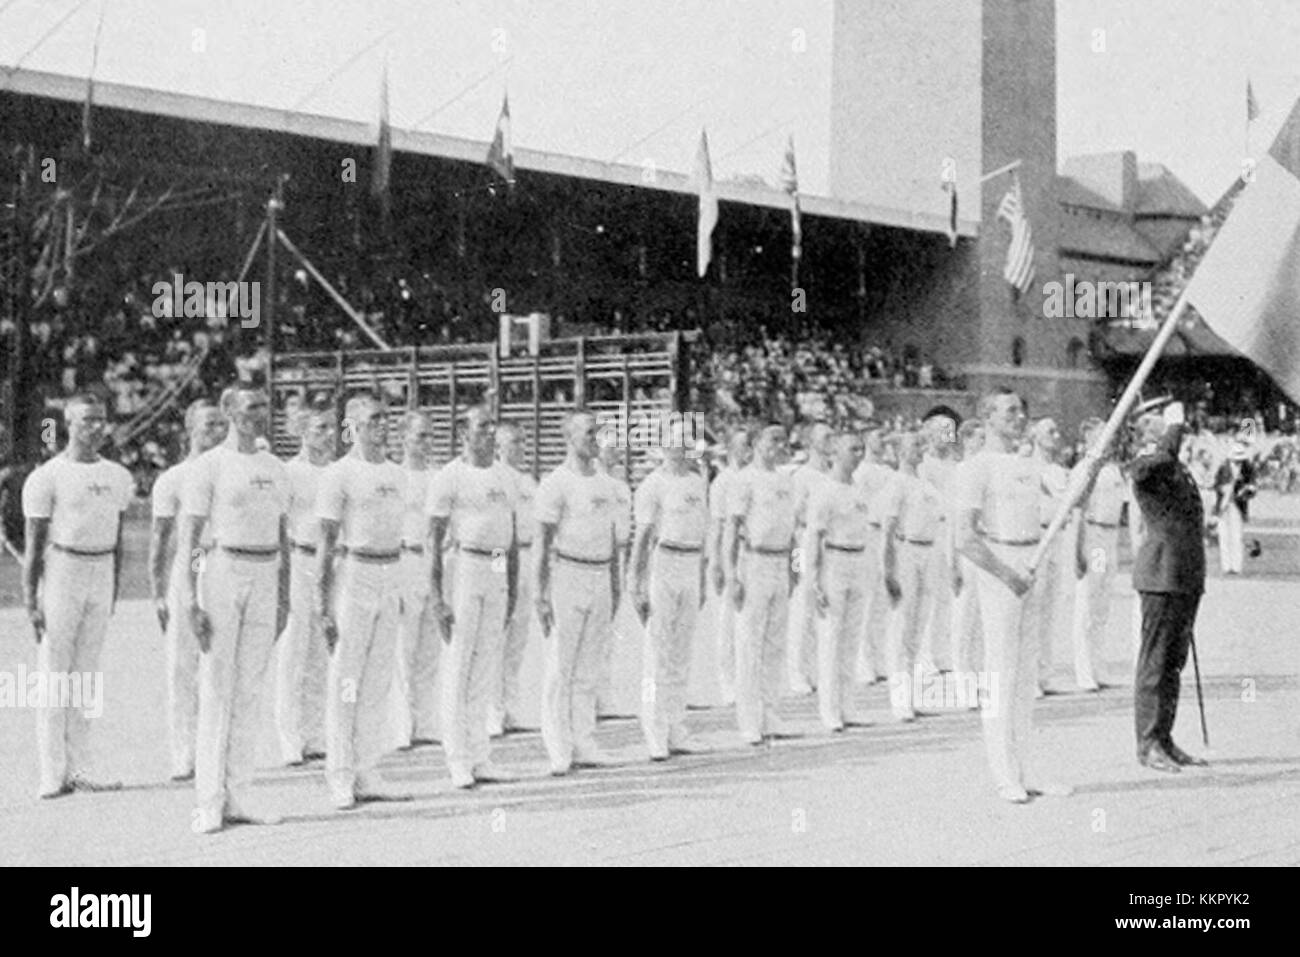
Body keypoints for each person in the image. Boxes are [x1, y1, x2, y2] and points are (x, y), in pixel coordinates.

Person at [181, 385, 289, 832]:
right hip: (225, 570)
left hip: (266, 572)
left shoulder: (274, 467)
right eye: (248, 408)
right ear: (228, 412)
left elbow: (282, 533)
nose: (257, 415)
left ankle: (239, 795)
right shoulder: (209, 467)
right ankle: (208, 801)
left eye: (263, 407)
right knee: (217, 688)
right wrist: (190, 597)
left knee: (250, 690)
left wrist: (284, 596)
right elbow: (189, 539)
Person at [956, 389, 1068, 803]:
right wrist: (1005, 574)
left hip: (1032, 560)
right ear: (986, 418)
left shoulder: (1026, 464)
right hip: (1000, 567)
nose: (1020, 417)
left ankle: (1027, 769)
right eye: (1009, 411)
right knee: (1001, 672)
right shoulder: (975, 468)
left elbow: (1065, 503)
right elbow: (964, 538)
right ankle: (1004, 774)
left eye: (1023, 410)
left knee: (1025, 676)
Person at [22, 393, 134, 798]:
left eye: (101, 420)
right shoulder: (47, 477)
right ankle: (52, 772)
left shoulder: (118, 476)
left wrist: (113, 588)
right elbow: (34, 547)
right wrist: (31, 600)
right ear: (68, 423)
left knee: (86, 675)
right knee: (55, 673)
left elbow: (118, 540)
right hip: (63, 572)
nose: (96, 427)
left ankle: (83, 767)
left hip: (100, 571)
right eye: (87, 420)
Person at [315, 394, 409, 808]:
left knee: (378, 679)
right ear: (351, 427)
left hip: (391, 572)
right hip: (355, 573)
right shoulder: (339, 474)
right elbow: (325, 541)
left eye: (385, 420)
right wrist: (323, 602)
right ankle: (339, 774)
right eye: (372, 420)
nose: (381, 426)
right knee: (347, 679)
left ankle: (369, 770)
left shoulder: (397, 473)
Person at [426, 405, 519, 788]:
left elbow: (509, 538)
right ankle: (458, 759)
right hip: (464, 565)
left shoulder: (505, 475)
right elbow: (432, 540)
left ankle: (481, 756)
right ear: (463, 434)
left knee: (485, 665)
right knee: (459, 665)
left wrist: (511, 587)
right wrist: (437, 597)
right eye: (481, 427)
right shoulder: (450, 477)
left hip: (496, 566)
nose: (489, 433)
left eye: (492, 426)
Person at [535, 410, 627, 775]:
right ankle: (559, 747)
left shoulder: (607, 484)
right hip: (568, 574)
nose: (595, 439)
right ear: (568, 438)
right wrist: (540, 594)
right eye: (589, 433)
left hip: (600, 574)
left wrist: (615, 585)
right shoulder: (555, 483)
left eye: (598, 433)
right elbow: (542, 542)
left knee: (589, 666)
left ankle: (584, 741)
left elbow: (613, 541)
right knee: (562, 666)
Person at [149, 398, 228, 781]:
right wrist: (158, 590)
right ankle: (184, 752)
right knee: (183, 664)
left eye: (220, 424)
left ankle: (216, 748)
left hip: (225, 563)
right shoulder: (174, 478)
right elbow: (161, 539)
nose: (217, 431)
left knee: (220, 661)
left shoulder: (231, 471)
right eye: (209, 424)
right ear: (190, 430)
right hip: (193, 561)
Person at [1129, 399, 1210, 771]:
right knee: (1155, 663)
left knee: (1173, 664)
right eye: (1163, 418)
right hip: (1161, 575)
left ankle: (1164, 737)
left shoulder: (1174, 466)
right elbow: (1159, 462)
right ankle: (1147, 744)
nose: (1172, 422)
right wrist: (1175, 430)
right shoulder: (1145, 462)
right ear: (1146, 426)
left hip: (1184, 574)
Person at [630, 423, 710, 759]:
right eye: (675, 443)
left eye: (686, 442)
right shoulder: (652, 485)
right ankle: (655, 731)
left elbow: (702, 533)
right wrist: (636, 583)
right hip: (664, 563)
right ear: (663, 447)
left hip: (690, 563)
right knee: (657, 654)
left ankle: (677, 727)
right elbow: (643, 539)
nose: (682, 449)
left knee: (680, 653)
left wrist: (703, 578)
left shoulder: (696, 483)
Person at [726, 423, 797, 745]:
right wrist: (731, 574)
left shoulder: (785, 480)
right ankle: (749, 720)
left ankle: (771, 714)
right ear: (755, 443)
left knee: (774, 644)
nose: (778, 446)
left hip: (780, 562)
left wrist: (795, 568)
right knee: (750, 645)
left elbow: (792, 529)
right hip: (753, 562)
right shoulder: (743, 480)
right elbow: (732, 529)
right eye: (772, 439)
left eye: (783, 440)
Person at [275, 400, 335, 765]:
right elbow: (279, 526)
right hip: (299, 558)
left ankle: (315, 734)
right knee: (294, 651)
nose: (327, 436)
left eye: (331, 428)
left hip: (333, 562)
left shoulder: (338, 472)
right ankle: (290, 739)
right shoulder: (288, 473)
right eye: (319, 429)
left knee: (322, 652)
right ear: (301, 432)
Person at [806, 430, 872, 731]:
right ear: (834, 453)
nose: (858, 455)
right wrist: (814, 579)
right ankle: (829, 710)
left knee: (851, 640)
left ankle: (848, 706)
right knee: (831, 638)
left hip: (857, 560)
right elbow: (814, 538)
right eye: (852, 449)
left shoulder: (858, 489)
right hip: (833, 561)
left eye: (861, 449)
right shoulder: (825, 490)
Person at [880, 431, 942, 721]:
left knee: (918, 626)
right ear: (900, 451)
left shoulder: (925, 484)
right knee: (902, 627)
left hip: (927, 551)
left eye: (921, 444)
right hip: (905, 549)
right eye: (915, 445)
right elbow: (888, 531)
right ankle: (900, 700)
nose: (921, 449)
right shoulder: (897, 483)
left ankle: (914, 696)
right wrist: (888, 570)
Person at [391, 410, 441, 748]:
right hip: (404, 560)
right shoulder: (394, 477)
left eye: (429, 435)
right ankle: (400, 726)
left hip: (433, 563)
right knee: (402, 648)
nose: (426, 442)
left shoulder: (439, 478)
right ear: (404, 438)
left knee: (429, 649)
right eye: (420, 435)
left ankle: (425, 722)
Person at [488, 421, 536, 736]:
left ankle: (510, 706)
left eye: (522, 441)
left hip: (528, 556)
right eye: (512, 442)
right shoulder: (494, 479)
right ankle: (492, 711)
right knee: (496, 638)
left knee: (518, 638)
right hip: (501, 556)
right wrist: (497, 575)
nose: (519, 447)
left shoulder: (528, 481)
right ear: (498, 448)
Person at [1069, 418, 1125, 691]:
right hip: (1094, 535)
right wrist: (1079, 547)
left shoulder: (1114, 470)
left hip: (1111, 536)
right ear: (1090, 438)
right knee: (1088, 603)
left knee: (1103, 604)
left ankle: (1098, 666)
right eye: (1103, 435)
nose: (1109, 440)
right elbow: (1078, 509)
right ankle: (1083, 670)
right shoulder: (1084, 469)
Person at [787, 423, 834, 695]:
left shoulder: (833, 474)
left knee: (824, 605)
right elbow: (793, 518)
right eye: (826, 437)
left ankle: (817, 669)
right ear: (811, 443)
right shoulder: (802, 476)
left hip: (832, 543)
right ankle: (797, 672)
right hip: (805, 541)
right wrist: (794, 559)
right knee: (802, 606)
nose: (831, 441)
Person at [709, 427, 752, 705]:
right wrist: (716, 562)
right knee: (727, 622)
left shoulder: (755, 478)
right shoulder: (723, 482)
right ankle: (728, 684)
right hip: (729, 549)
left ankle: (746, 681)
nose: (748, 449)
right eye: (743, 444)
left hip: (753, 552)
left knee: (747, 623)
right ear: (732, 448)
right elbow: (717, 525)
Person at [1026, 417, 1069, 696]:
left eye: (1056, 430)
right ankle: (1029, 676)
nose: (1055, 435)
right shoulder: (1027, 466)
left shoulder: (1059, 470)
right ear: (1035, 437)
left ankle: (1045, 673)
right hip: (1035, 537)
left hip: (1058, 538)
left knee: (1051, 609)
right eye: (1049, 431)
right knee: (1034, 607)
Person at [917, 411, 959, 674]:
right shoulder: (923, 466)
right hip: (932, 533)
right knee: (929, 596)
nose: (948, 436)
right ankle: (923, 655)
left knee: (947, 595)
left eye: (951, 430)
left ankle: (941, 652)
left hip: (952, 532)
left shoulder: (955, 465)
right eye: (943, 430)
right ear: (930, 433)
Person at [593, 440, 633, 718]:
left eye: (619, 448)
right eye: (611, 448)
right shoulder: (591, 482)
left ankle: (605, 697)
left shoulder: (621, 486)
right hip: (591, 558)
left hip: (617, 556)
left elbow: (626, 530)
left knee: (612, 628)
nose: (617, 453)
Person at [853, 426, 895, 683]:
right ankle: (863, 661)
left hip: (886, 534)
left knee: (882, 600)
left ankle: (879, 659)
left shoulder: (889, 471)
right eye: (879, 436)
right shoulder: (861, 473)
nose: (884, 439)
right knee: (867, 600)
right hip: (868, 532)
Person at [949, 420, 985, 680]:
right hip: (967, 548)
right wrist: (953, 562)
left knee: (982, 618)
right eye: (979, 438)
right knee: (964, 616)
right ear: (967, 440)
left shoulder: (986, 470)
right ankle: (962, 676)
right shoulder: (960, 472)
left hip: (987, 546)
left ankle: (979, 675)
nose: (983, 442)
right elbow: (954, 522)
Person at [1214, 442, 1256, 575]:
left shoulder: (1247, 468)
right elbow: (1216, 485)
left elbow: (1253, 485)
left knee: (1237, 536)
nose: (1238, 462)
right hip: (1223, 505)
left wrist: (1247, 490)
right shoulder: (1223, 468)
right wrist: (1223, 489)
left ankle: (1236, 566)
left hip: (1238, 505)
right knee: (1224, 535)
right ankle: (1226, 566)